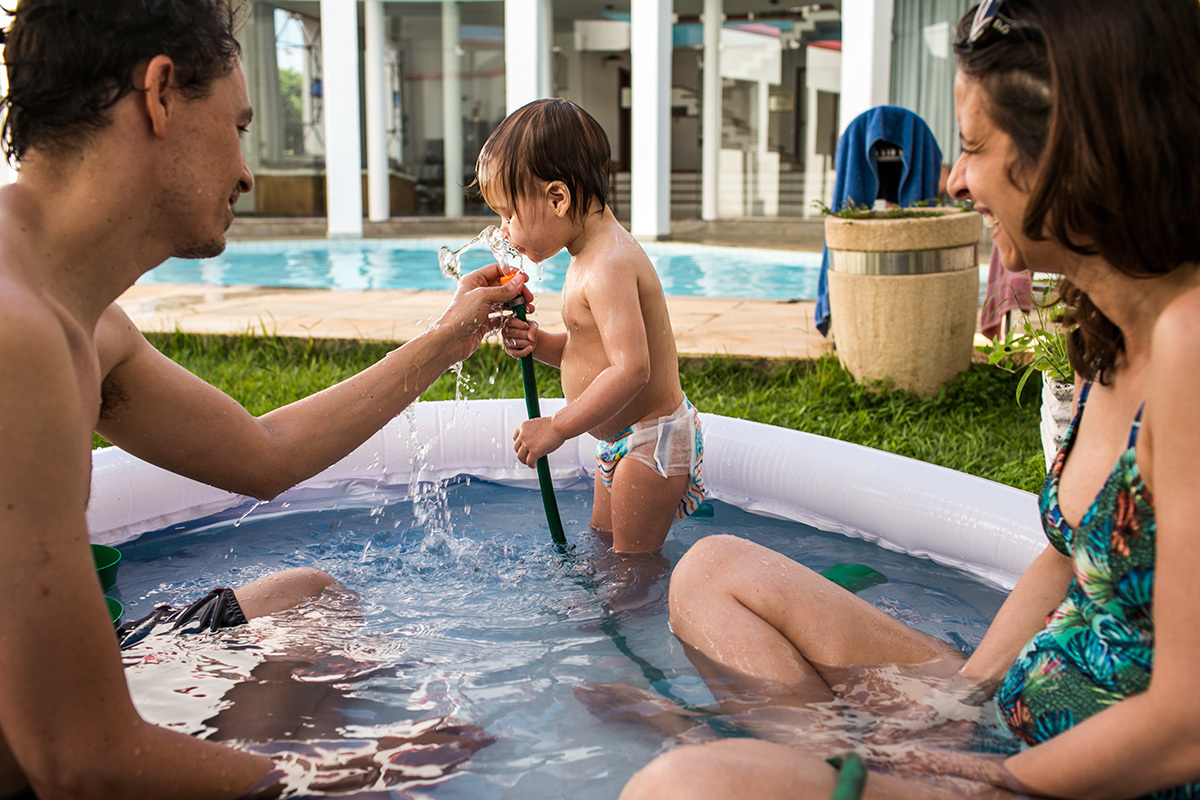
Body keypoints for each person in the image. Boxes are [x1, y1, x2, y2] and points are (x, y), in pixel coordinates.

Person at [622, 0, 1200, 797]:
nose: (956, 179)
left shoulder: (1193, 344)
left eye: (972, 146)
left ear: (1072, 151)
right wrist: (959, 695)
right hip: (1025, 716)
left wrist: (986, 777)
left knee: (685, 787)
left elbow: (1189, 725)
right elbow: (1069, 553)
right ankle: (839, 759)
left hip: (1092, 777)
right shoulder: (1110, 327)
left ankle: (821, 766)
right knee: (711, 572)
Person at [0, 1, 529, 797]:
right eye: (239, 126)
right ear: (161, 96)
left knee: (307, 602)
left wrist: (451, 335)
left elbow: (264, 455)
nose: (246, 170)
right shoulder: (17, 337)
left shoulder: (79, 319)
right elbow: (78, 759)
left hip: (67, 704)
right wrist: (362, 771)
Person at [480, 98, 706, 554]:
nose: (503, 231)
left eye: (509, 214)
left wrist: (557, 427)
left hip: (650, 443)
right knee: (605, 550)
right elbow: (590, 352)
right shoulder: (585, 255)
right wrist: (538, 342)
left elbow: (631, 370)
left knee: (632, 569)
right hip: (622, 440)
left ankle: (642, 623)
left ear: (557, 199)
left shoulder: (608, 264)